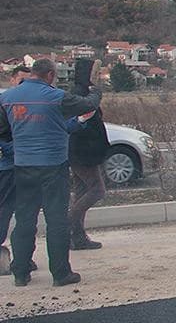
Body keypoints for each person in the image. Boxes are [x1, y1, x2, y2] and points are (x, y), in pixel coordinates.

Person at [0, 59, 101, 287]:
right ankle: (61, 273)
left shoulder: (7, 98)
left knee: (25, 219)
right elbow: (87, 104)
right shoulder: (56, 97)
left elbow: (4, 131)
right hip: (53, 166)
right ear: (50, 74)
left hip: (23, 167)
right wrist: (97, 91)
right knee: (56, 220)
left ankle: (21, 272)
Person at [68, 60, 110, 250]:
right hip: (83, 153)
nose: (99, 76)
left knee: (81, 192)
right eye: (96, 73)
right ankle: (69, 225)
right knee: (96, 190)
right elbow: (83, 120)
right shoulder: (81, 94)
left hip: (82, 151)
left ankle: (77, 237)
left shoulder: (80, 92)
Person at [0, 66, 33, 276]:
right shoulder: (5, 104)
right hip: (9, 166)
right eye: (21, 81)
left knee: (24, 212)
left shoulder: (28, 104)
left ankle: (23, 258)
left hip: (23, 164)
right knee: (6, 209)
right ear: (12, 80)